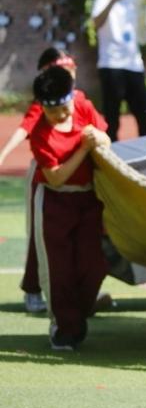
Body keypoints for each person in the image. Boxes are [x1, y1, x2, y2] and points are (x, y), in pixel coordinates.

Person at [28, 65, 111, 351]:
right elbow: (56, 176)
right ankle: (64, 327)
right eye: (55, 112)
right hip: (55, 201)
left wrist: (97, 139)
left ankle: (79, 314)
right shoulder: (40, 135)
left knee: (94, 265)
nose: (63, 116)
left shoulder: (84, 106)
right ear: (42, 107)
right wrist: (83, 148)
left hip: (88, 200)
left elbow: (105, 138)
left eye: (66, 108)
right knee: (58, 270)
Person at [0, 49, 81, 314]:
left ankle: (81, 289)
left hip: (77, 178)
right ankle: (33, 288)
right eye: (63, 66)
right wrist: (3, 155)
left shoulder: (78, 99)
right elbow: (25, 128)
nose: (70, 71)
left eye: (71, 65)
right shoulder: (45, 102)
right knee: (40, 237)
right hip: (47, 175)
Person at [90, 0, 146, 141]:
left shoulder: (135, 0)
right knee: (112, 116)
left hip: (134, 64)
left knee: (144, 114)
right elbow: (96, 23)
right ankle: (111, 157)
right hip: (111, 63)